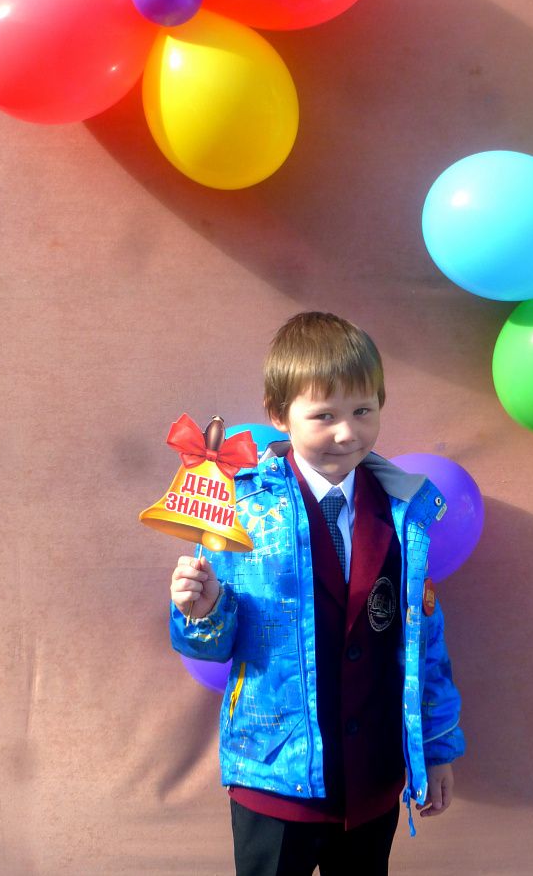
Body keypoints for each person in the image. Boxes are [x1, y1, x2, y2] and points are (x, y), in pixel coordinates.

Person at [170, 312, 464, 876]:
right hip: (274, 775)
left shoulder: (404, 513)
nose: (347, 433)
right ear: (278, 413)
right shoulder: (237, 508)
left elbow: (425, 641)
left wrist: (437, 747)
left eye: (363, 411)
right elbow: (210, 646)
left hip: (372, 773)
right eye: (324, 415)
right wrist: (201, 611)